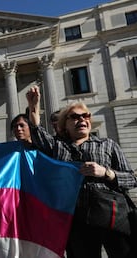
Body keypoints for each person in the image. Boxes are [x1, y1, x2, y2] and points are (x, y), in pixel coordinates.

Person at [26, 85, 137, 258]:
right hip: (76, 216)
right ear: (64, 125)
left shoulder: (107, 144)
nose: (82, 120)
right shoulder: (58, 147)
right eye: (75, 117)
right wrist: (33, 106)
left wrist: (106, 173)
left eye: (86, 116)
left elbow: (132, 178)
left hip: (111, 213)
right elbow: (37, 133)